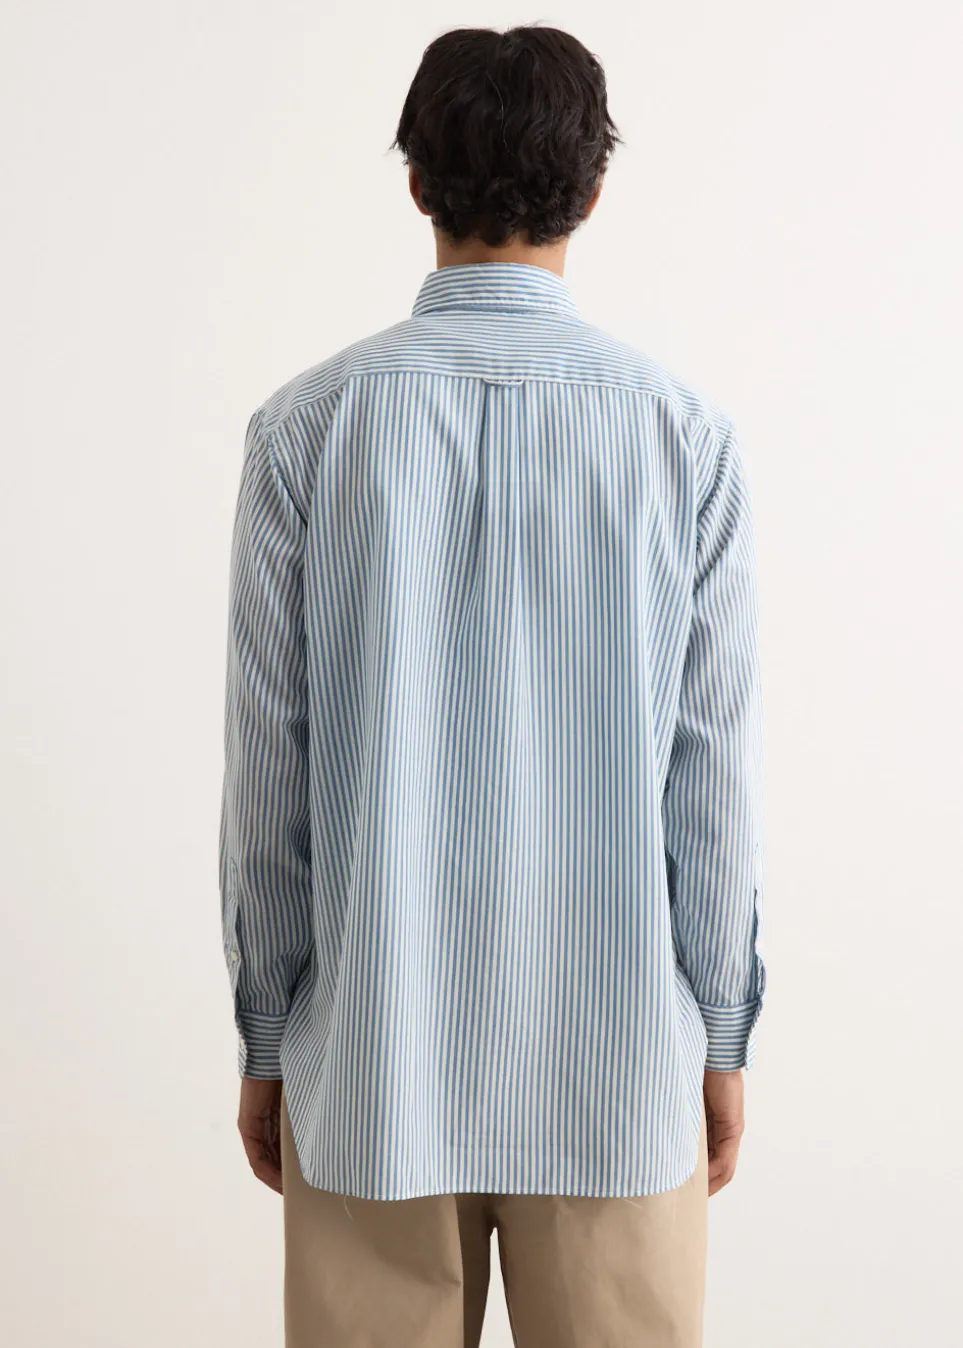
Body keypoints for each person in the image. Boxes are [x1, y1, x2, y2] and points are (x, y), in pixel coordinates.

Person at [218, 22, 766, 1348]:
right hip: (614, 1070)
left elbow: (268, 772)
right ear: (593, 188)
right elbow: (710, 777)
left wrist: (268, 1037)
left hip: (374, 1062)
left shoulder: (305, 431)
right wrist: (721, 1030)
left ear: (416, 182)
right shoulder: (683, 437)